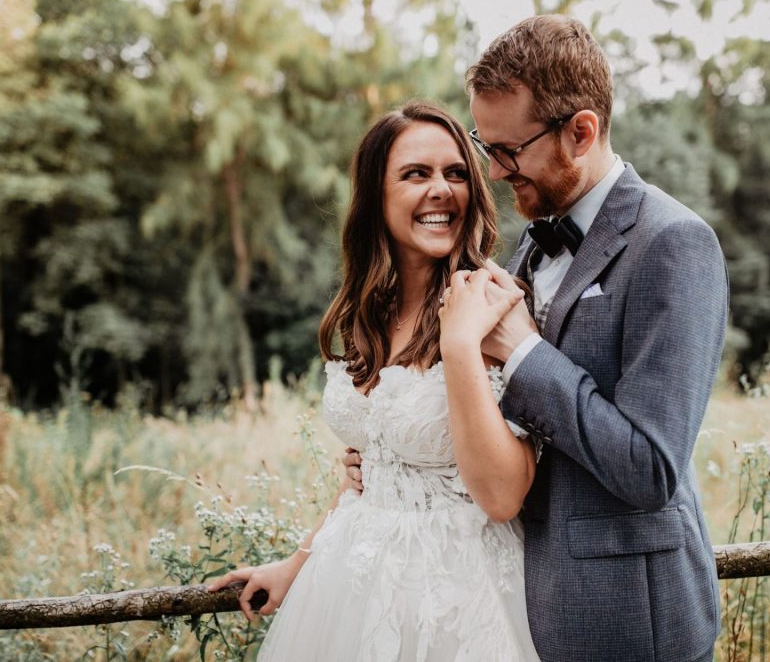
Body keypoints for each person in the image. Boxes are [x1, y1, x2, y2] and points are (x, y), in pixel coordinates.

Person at [350, 15, 729, 661]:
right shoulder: (532, 242)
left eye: (508, 150)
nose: (495, 173)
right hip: (524, 603)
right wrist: (397, 459)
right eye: (486, 145)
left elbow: (651, 468)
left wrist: (524, 351)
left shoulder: (672, 244)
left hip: (631, 621)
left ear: (580, 132)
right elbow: (510, 423)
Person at [208, 100, 541, 661]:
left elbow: (505, 495)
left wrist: (459, 343)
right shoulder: (369, 311)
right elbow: (377, 468)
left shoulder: (492, 305)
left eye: (455, 173)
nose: (441, 190)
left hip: (459, 594)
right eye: (416, 174)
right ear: (376, 195)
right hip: (353, 580)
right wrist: (297, 564)